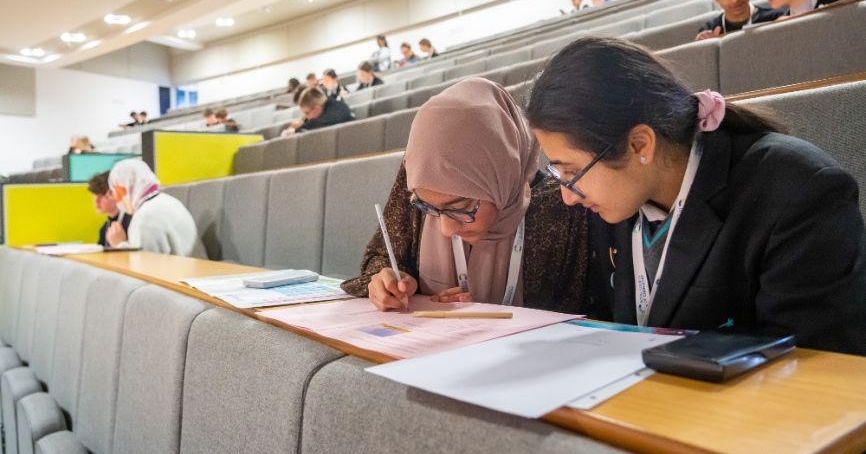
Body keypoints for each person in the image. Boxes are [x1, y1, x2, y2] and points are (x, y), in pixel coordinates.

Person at [525, 36, 866, 356]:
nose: (568, 197)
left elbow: (817, 364)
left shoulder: (797, 192)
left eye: (571, 172)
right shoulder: (617, 202)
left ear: (640, 145)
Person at [341, 77, 591, 314]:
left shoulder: (562, 207)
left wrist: (489, 313)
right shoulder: (419, 187)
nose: (446, 229)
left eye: (460, 206)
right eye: (431, 209)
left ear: (500, 173)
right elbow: (380, 257)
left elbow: (578, 314)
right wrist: (389, 282)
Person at [106, 159, 206, 257]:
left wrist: (119, 244)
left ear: (126, 187)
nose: (116, 197)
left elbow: (143, 267)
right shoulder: (167, 201)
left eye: (115, 190)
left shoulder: (145, 218)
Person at [280, 86, 354, 136]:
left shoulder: (337, 108)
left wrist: (297, 129)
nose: (306, 117)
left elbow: (321, 123)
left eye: (307, 113)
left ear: (317, 109)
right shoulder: (326, 109)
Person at [87, 171, 132, 247]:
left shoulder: (132, 223)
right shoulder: (105, 228)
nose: (96, 201)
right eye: (95, 195)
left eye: (102, 195)